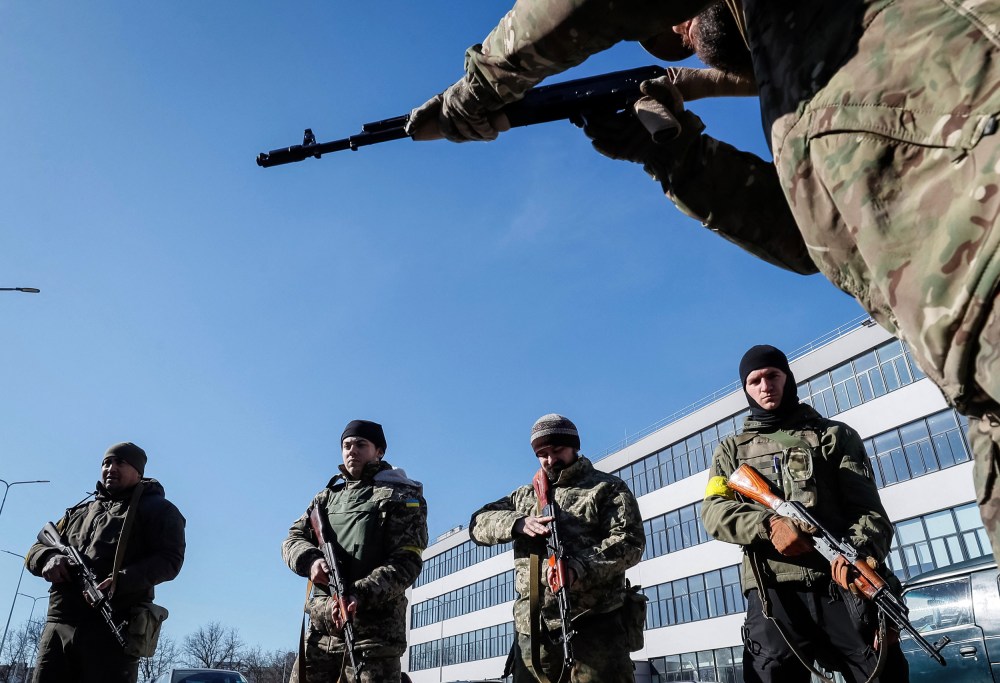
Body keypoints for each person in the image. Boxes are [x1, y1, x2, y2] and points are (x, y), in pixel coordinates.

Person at [405, 0, 1000, 562]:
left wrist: (478, 89)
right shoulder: (795, 73)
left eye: (672, 19)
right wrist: (676, 157)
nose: (680, 38)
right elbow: (815, 241)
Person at [701, 345, 908, 682]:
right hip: (774, 592)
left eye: (773, 376)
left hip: (841, 582)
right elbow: (714, 511)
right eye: (755, 381)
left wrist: (858, 553)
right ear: (746, 390)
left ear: (788, 378)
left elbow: (869, 511)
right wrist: (768, 525)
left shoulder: (834, 436)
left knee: (882, 671)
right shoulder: (731, 450)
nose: (765, 385)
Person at [468, 414, 645, 682]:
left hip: (595, 623)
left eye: (557, 450)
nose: (550, 460)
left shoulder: (606, 488)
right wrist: (517, 523)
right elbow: (477, 524)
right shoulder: (524, 496)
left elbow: (629, 541)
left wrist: (580, 567)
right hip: (535, 630)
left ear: (574, 446)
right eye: (542, 454)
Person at [25, 441, 186, 683]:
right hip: (60, 623)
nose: (111, 468)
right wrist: (48, 558)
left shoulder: (158, 510)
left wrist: (120, 580)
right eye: (106, 463)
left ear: (138, 472)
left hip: (113, 624)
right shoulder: (79, 511)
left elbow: (170, 559)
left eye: (120, 462)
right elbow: (35, 549)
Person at [282, 419, 428, 683]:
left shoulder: (403, 496)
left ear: (379, 451)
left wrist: (359, 594)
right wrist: (311, 561)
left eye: (361, 444)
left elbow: (407, 562)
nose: (352, 450)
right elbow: (292, 539)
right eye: (347, 445)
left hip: (373, 640)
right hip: (322, 633)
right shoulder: (325, 498)